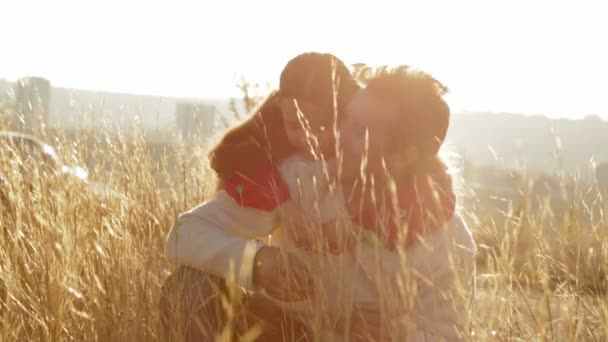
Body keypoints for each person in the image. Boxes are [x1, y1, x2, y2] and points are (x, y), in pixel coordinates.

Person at [161, 52, 361, 341]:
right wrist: (258, 261)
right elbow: (183, 235)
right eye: (296, 126)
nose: (310, 140)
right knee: (185, 287)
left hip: (371, 331)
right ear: (282, 115)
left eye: (322, 126)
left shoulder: (396, 183)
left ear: (349, 114)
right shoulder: (291, 175)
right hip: (292, 328)